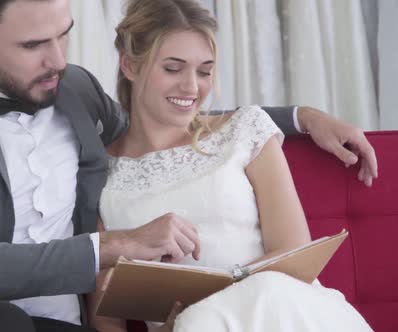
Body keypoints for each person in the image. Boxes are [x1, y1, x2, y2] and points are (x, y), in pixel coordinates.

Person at [0, 0, 376, 331]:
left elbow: (167, 123)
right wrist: (121, 245)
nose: (56, 60)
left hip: (67, 322)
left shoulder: (71, 87)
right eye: (33, 46)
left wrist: (300, 117)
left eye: (63, 36)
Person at [89, 1, 373, 331]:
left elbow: (292, 254)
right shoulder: (102, 175)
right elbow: (105, 313)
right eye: (172, 68)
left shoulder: (245, 129)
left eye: (204, 71)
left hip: (283, 308)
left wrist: (204, 303)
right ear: (129, 65)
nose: (192, 87)